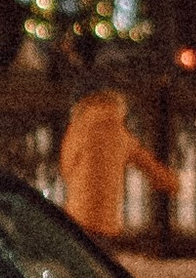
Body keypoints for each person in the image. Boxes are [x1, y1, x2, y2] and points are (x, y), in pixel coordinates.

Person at [58, 78, 179, 236]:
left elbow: (66, 169)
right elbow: (150, 167)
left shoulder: (77, 130)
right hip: (107, 222)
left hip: (77, 218)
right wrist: (172, 182)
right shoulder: (121, 135)